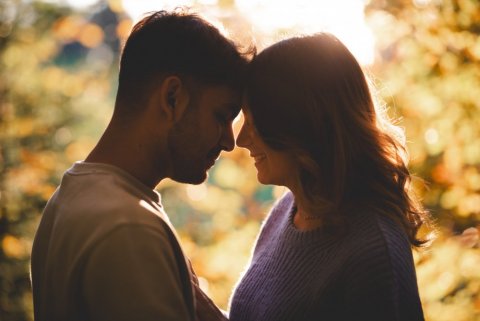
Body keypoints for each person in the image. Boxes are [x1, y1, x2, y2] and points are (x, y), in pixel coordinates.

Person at [30, 9, 248, 321]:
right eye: (222, 115)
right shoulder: (128, 227)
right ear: (173, 97)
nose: (229, 141)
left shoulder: (69, 197)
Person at [229, 33, 433, 321]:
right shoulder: (288, 210)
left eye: (253, 121)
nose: (241, 139)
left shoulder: (373, 255)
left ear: (297, 122)